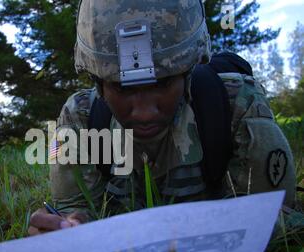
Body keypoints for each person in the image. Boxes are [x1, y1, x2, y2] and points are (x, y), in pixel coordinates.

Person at [28, 0, 297, 236]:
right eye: (122, 88)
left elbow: (275, 215)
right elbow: (74, 209)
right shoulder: (80, 120)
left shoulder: (235, 104)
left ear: (188, 72)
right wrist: (66, 228)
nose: (145, 112)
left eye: (163, 83)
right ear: (98, 84)